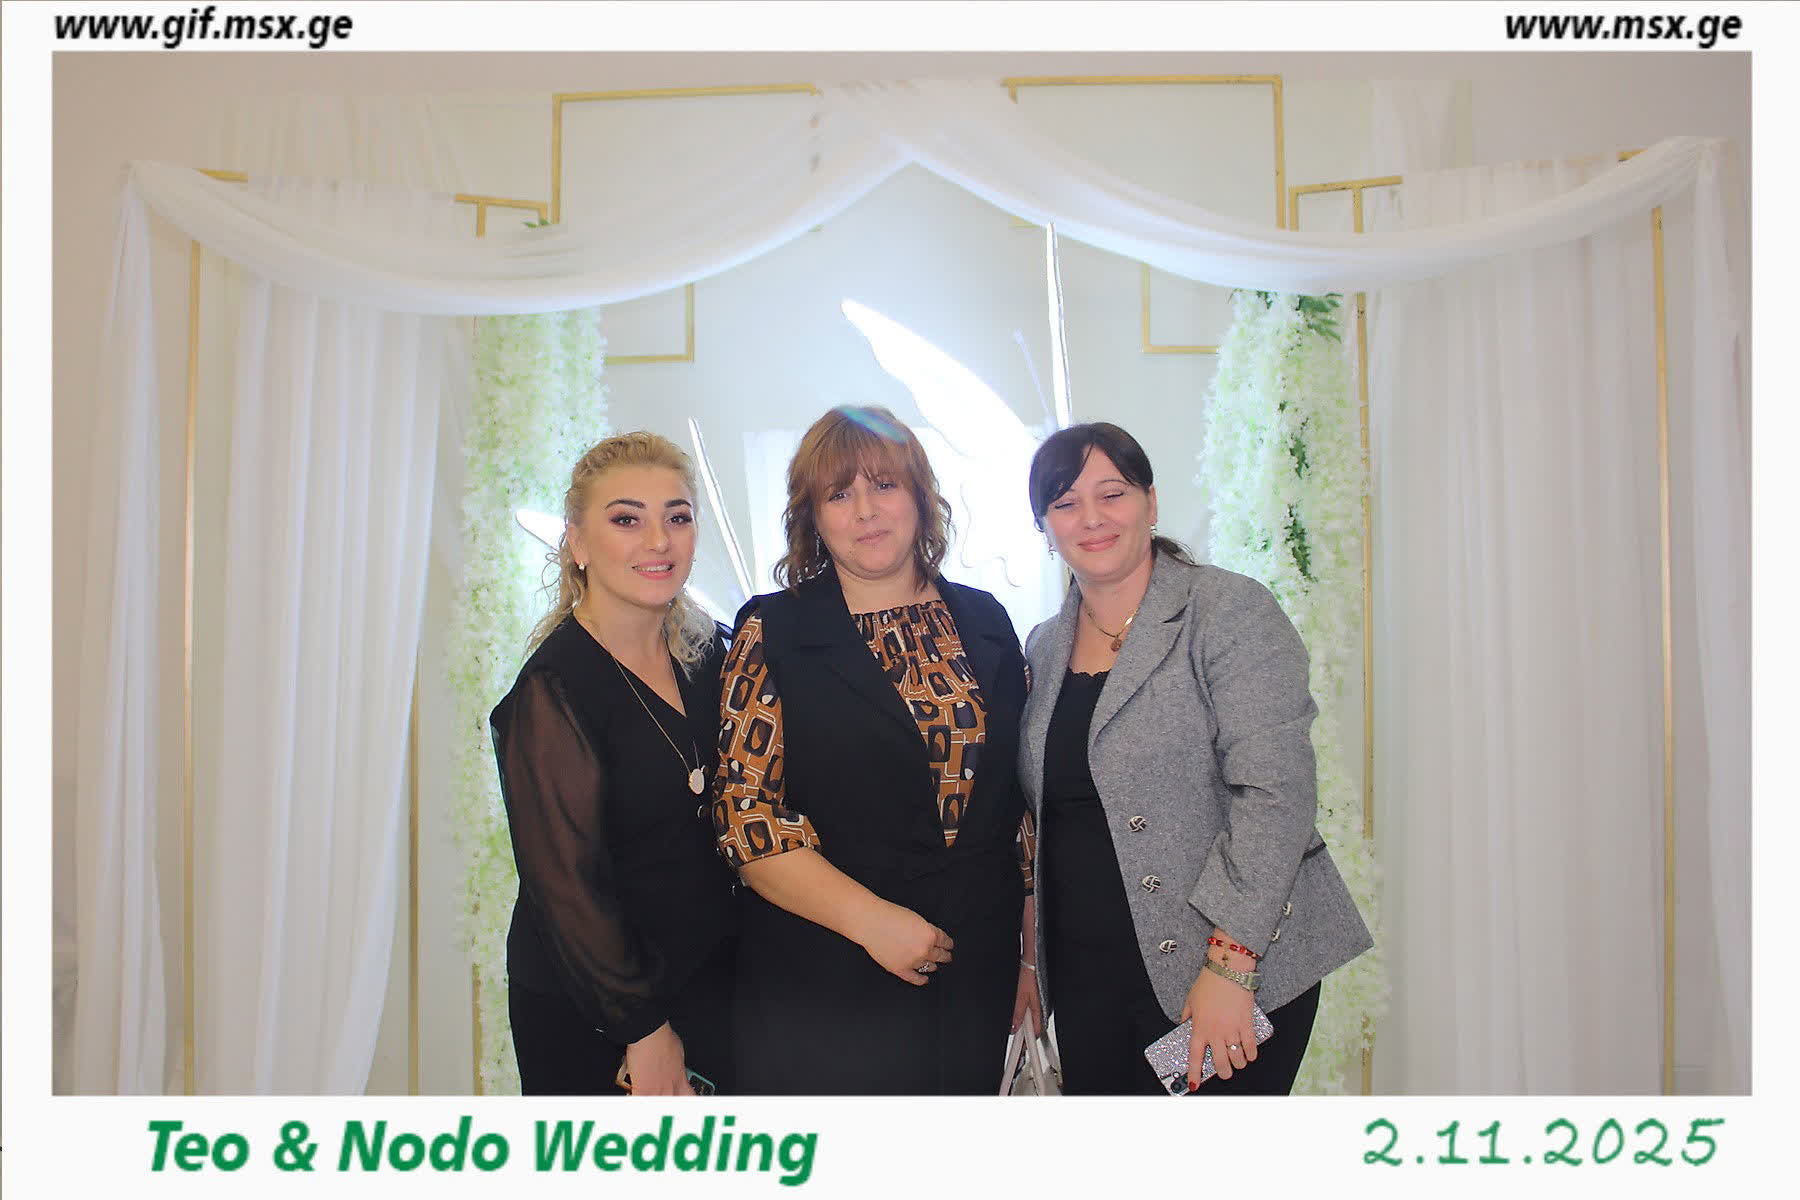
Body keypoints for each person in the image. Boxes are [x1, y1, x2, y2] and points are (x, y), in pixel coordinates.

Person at [1019, 422, 1372, 1095]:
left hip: (1228, 968)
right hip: (1090, 980)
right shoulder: (1042, 645)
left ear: (1150, 503)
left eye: (1112, 494)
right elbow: (1046, 824)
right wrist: (1032, 962)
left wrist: (1231, 966)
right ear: (1045, 528)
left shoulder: (1228, 611)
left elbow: (1275, 794)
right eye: (1065, 503)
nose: (1091, 518)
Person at [711, 405, 1036, 1095]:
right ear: (813, 517)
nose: (865, 510)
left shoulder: (986, 619)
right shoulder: (773, 631)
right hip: (827, 979)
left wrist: (1030, 958)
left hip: (973, 975)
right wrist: (874, 924)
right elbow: (745, 815)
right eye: (839, 493)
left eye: (884, 484)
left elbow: (1020, 807)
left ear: (920, 495)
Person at [489, 431, 737, 1095]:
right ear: (577, 544)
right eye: (627, 520)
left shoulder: (710, 653)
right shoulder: (553, 690)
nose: (658, 541)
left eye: (677, 518)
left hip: (708, 985)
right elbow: (568, 889)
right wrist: (644, 1029)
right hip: (598, 1008)